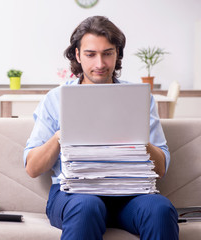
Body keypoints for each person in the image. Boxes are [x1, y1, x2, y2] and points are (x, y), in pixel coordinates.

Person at [23, 16, 179, 240]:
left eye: (108, 53)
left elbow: (161, 168)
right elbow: (32, 168)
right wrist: (61, 136)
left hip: (129, 196)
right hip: (74, 196)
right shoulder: (55, 99)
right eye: (90, 54)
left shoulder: (139, 98)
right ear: (77, 55)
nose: (100, 64)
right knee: (87, 206)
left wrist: (136, 136)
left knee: (160, 209)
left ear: (117, 55)